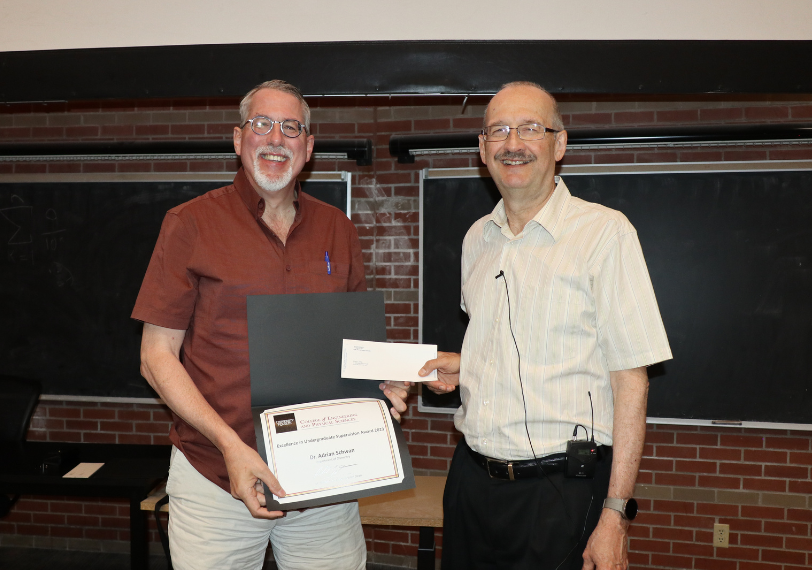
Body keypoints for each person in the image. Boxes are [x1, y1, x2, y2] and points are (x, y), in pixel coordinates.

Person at [132, 79, 410, 570]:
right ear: (239, 139)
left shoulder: (338, 230)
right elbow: (156, 358)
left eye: (291, 128)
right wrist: (230, 447)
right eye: (263, 125)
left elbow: (358, 346)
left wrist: (382, 381)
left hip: (326, 479)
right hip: (216, 479)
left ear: (308, 147)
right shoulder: (190, 224)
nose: (276, 139)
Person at [419, 82, 672, 570]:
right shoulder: (478, 239)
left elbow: (631, 382)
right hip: (469, 485)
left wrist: (615, 515)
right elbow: (506, 345)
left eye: (531, 128)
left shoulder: (604, 234)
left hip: (562, 494)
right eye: (499, 130)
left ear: (559, 144)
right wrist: (467, 365)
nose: (513, 143)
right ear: (482, 149)